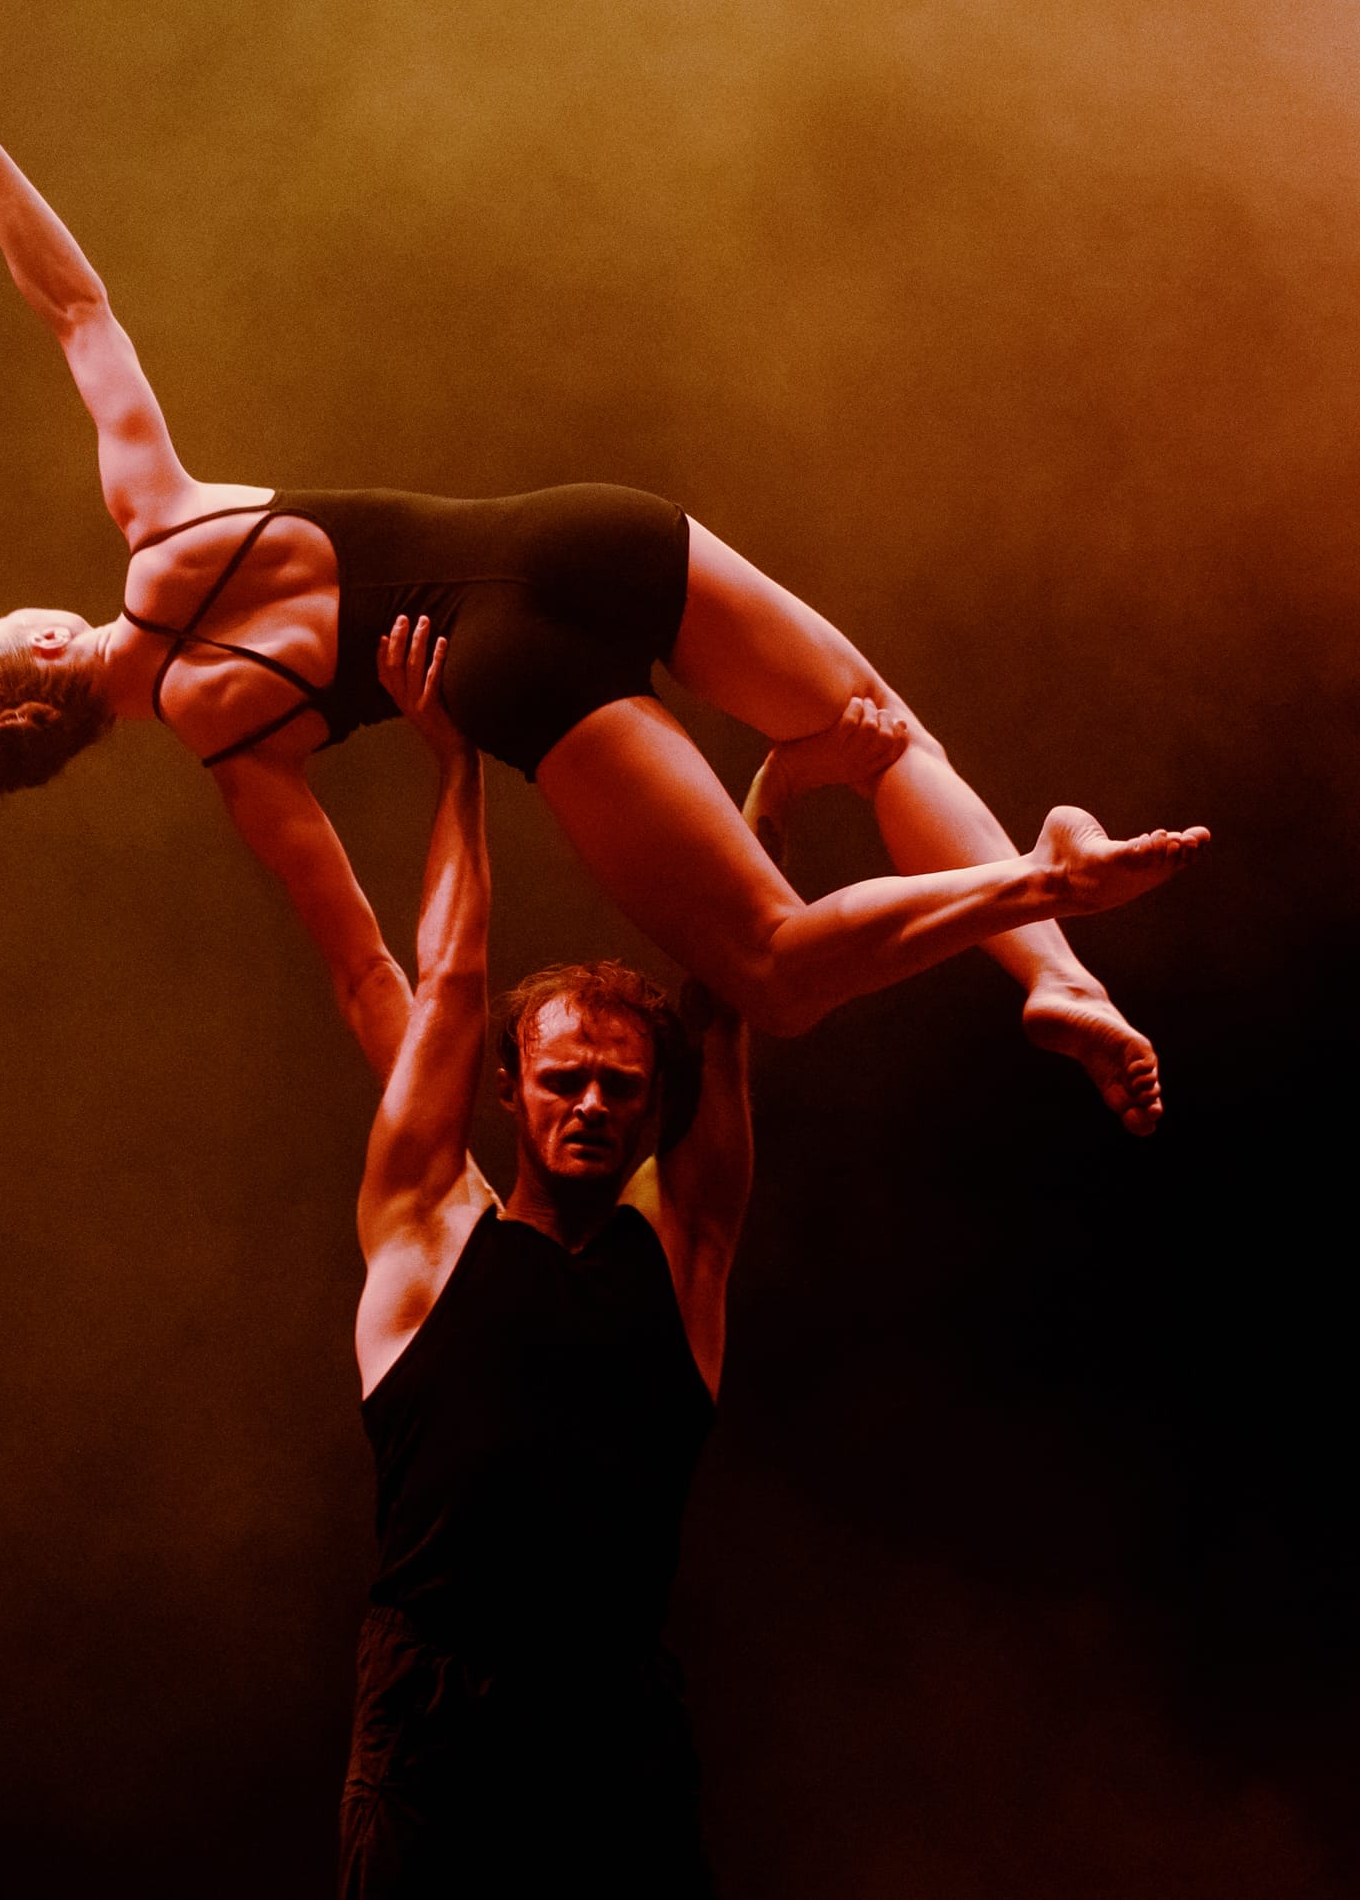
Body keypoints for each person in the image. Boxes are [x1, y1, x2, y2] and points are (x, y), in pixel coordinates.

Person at [0, 0, 1204, 1130]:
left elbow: (370, 970)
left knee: (776, 969)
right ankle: (1063, 973)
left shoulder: (239, 748)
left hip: (519, 679)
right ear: (49, 642)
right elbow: (77, 308)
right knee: (888, 734)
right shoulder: (159, 526)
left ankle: (1042, 878)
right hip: (581, 529)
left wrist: (433, 1152)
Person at [335, 617, 826, 1897]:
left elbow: (725, 1003)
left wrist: (777, 791)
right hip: (434, 1706)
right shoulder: (426, 1232)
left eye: (620, 1085)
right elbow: (448, 979)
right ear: (514, 1089)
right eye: (566, 1079)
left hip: (612, 1716)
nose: (595, 1104)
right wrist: (457, 763)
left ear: (648, 1107)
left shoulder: (681, 1255)